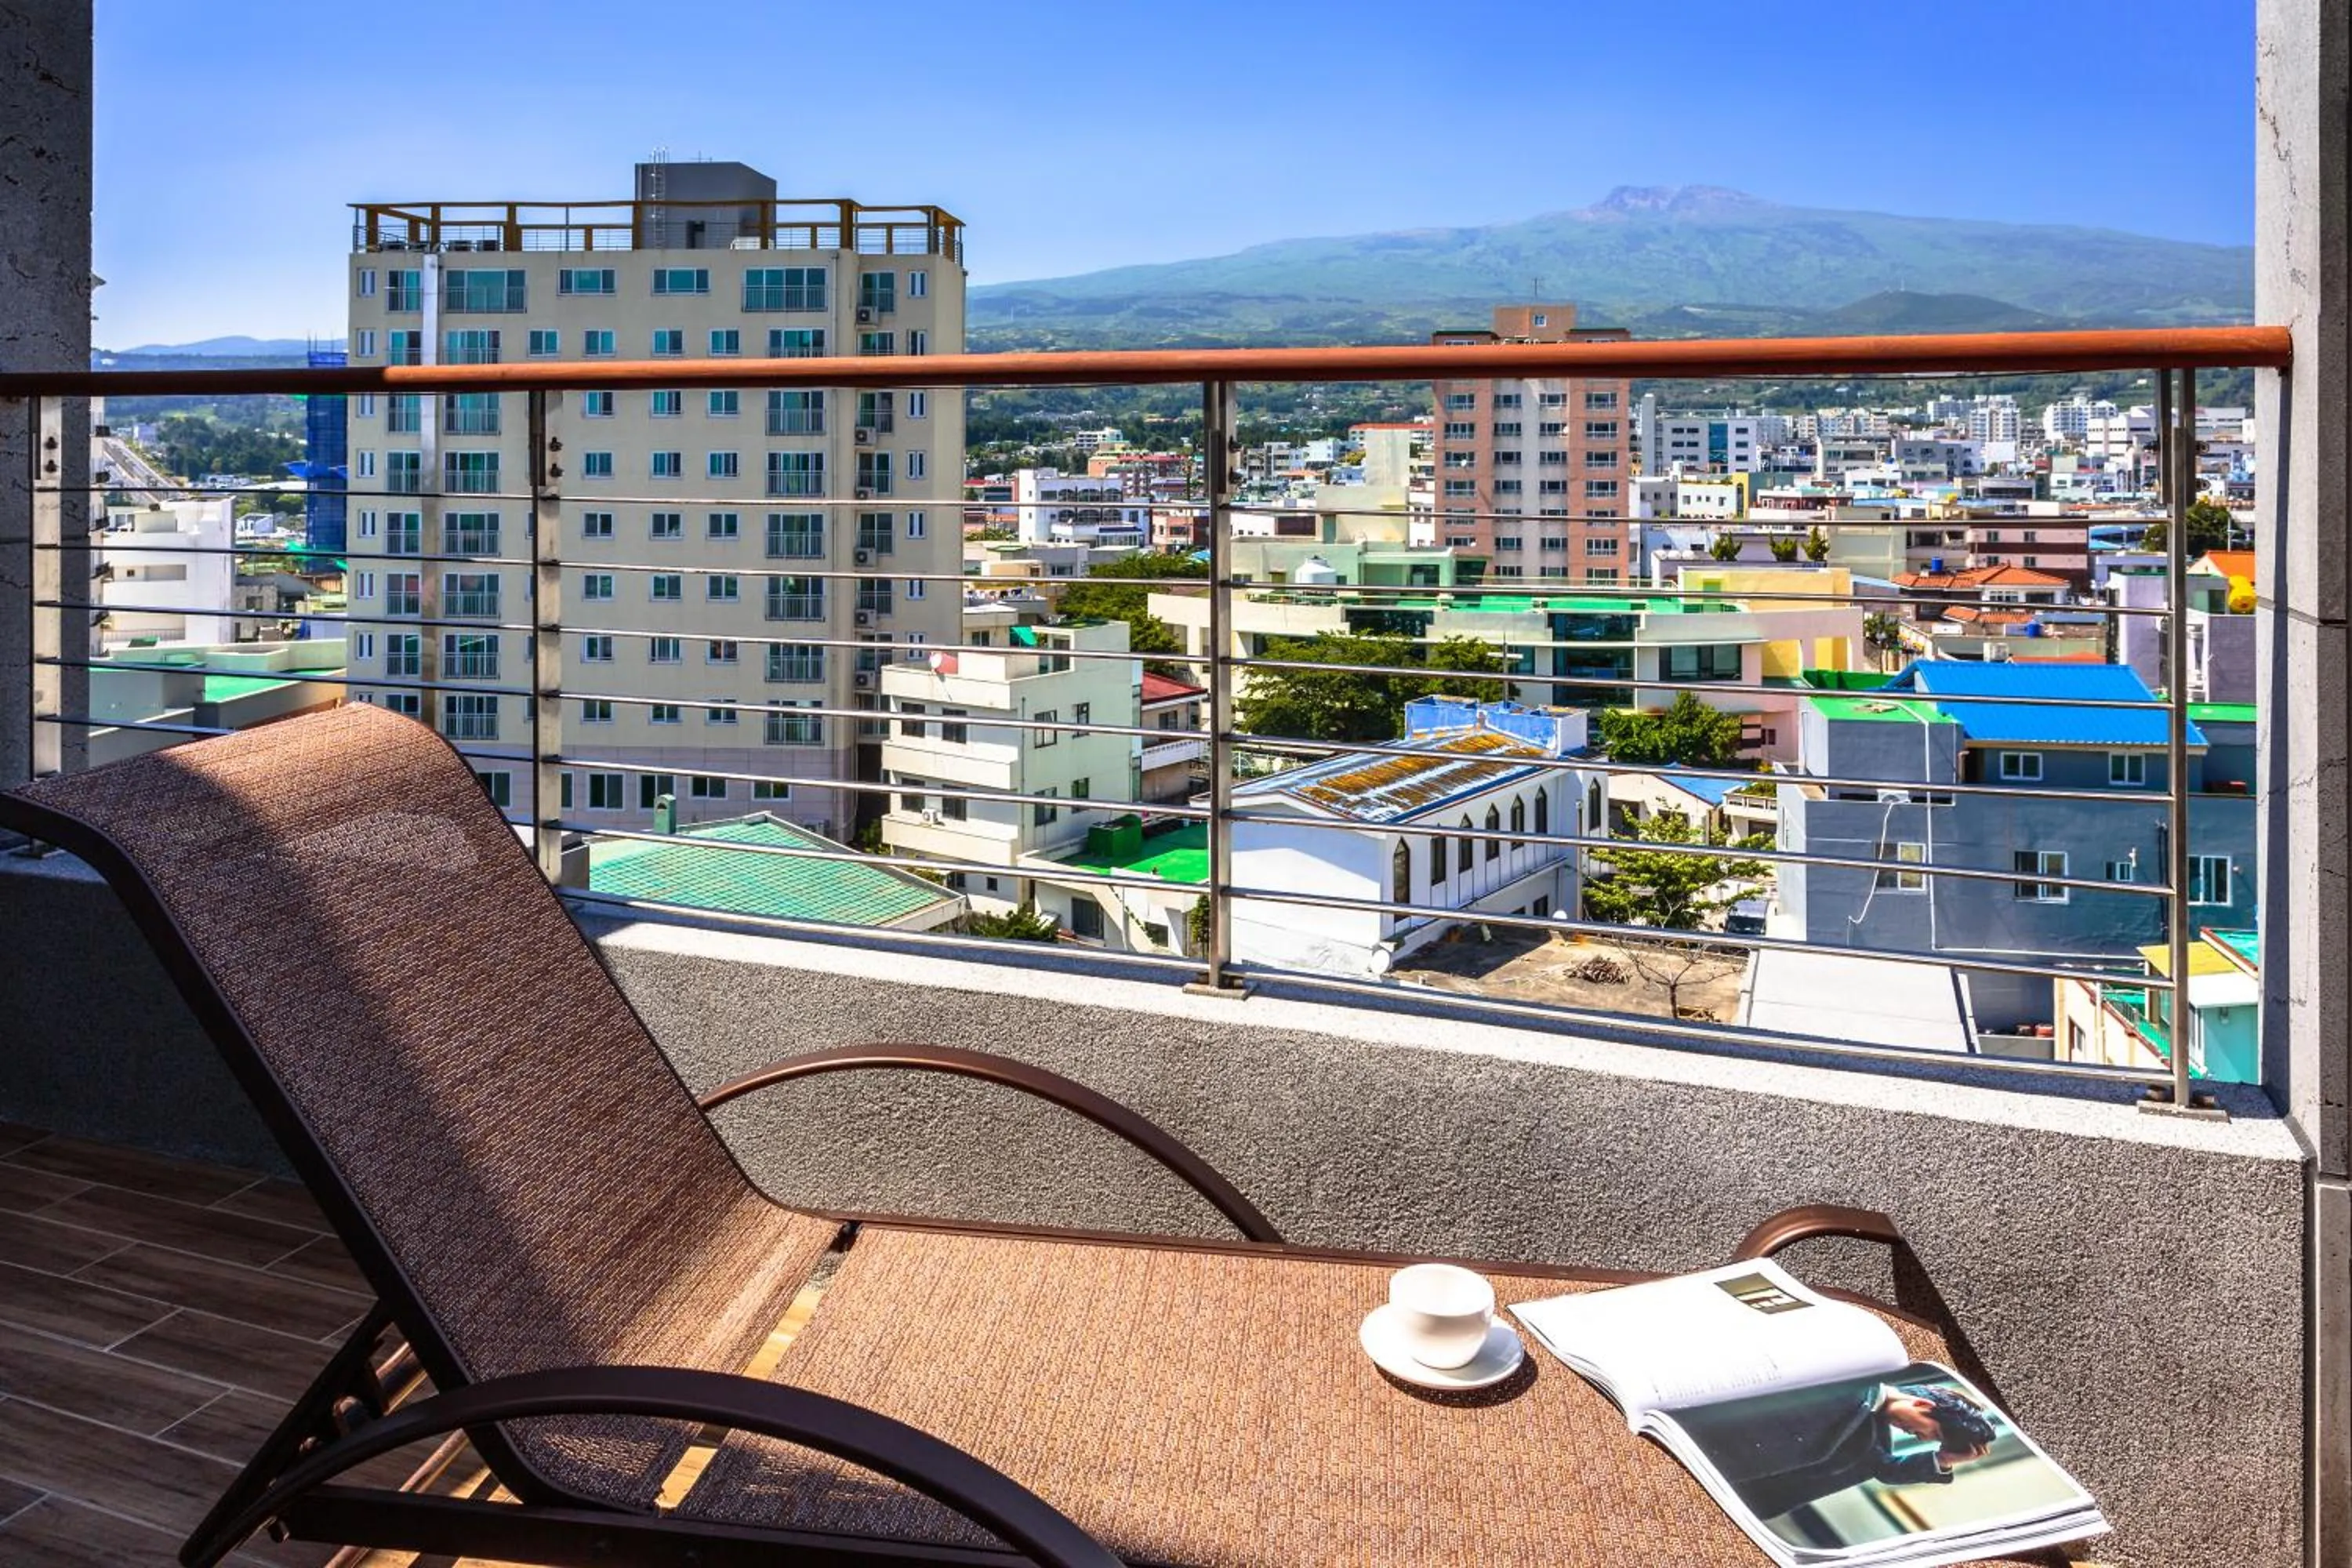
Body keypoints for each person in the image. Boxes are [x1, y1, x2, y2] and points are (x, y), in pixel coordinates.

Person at [1675, 1379, 2000, 1523]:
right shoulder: (1852, 1377)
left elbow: (1887, 1468)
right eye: (1932, 1433)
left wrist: (1944, 1459)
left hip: (1724, 1479)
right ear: (1922, 1404)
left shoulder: (1872, 1439)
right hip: (1699, 1430)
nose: (1919, 1437)